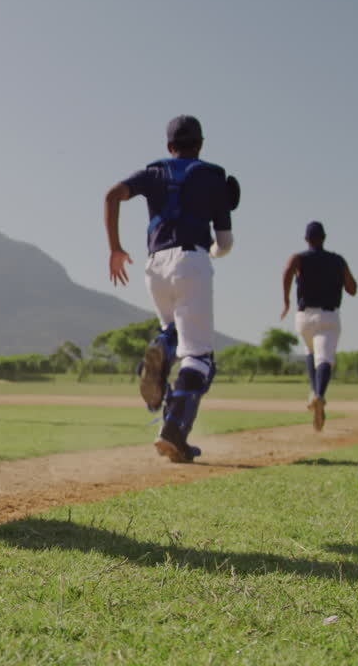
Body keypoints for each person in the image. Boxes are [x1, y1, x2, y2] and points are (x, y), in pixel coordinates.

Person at [104, 115, 240, 463]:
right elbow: (223, 244)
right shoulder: (213, 176)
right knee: (199, 358)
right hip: (191, 262)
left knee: (174, 334)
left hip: (155, 266)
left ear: (169, 146)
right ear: (201, 144)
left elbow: (113, 195)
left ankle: (160, 351)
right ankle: (173, 427)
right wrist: (211, 248)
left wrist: (116, 248)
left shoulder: (153, 172)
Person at [280, 221, 358, 431]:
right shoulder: (337, 260)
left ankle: (314, 394)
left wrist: (286, 300)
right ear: (324, 238)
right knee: (324, 359)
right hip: (328, 316)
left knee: (310, 351)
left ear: (306, 240)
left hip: (303, 318)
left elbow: (288, 269)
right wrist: (340, 276)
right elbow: (352, 289)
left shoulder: (299, 258)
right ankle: (319, 395)